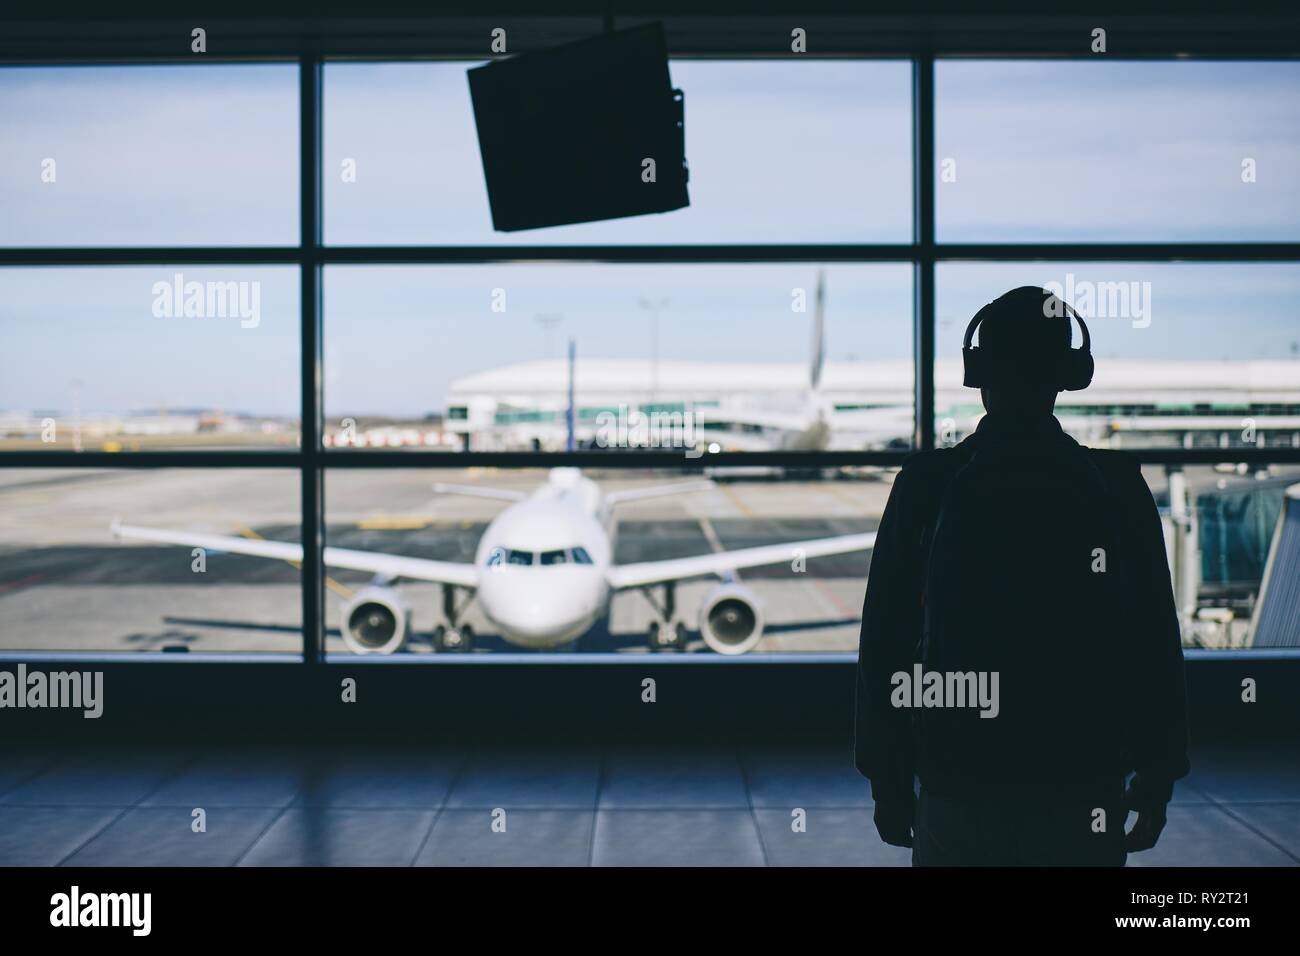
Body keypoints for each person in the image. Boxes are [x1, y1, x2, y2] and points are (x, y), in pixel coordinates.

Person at [854, 286, 1189, 866]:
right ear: (1069, 374)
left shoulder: (928, 483)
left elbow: (886, 640)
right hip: (1081, 774)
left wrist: (887, 777)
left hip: (959, 773)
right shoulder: (1115, 485)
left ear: (978, 371)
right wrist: (1158, 773)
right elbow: (1153, 640)